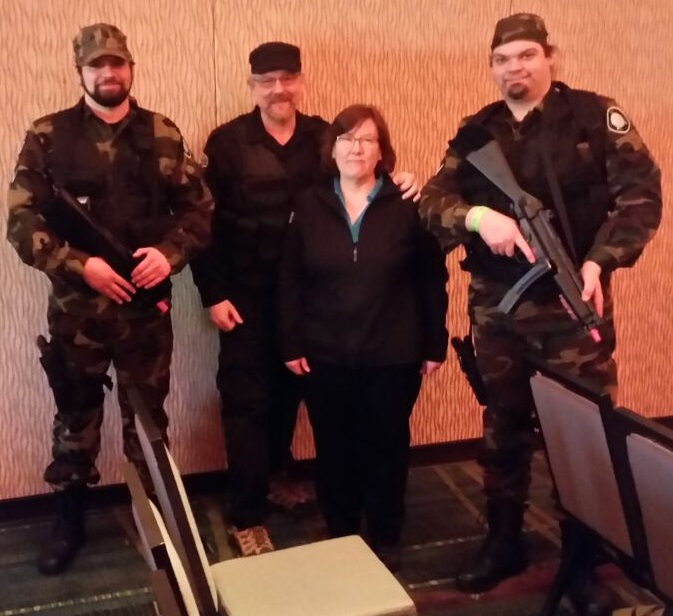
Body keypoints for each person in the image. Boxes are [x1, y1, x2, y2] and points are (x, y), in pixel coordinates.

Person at [419, 12, 661, 612]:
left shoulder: (593, 117)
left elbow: (641, 196)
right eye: (503, 60)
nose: (515, 69)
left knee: (585, 436)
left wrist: (600, 261)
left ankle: (584, 557)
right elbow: (433, 200)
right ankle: (503, 541)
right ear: (491, 67)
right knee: (503, 427)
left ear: (550, 56)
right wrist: (479, 218)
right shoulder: (476, 132)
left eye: (527, 55)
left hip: (574, 307)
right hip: (497, 310)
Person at [190, 42, 420, 556]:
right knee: (248, 403)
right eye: (266, 80)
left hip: (314, 302)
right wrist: (213, 293)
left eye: (287, 78)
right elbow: (203, 224)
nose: (278, 89)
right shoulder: (227, 143)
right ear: (252, 86)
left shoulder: (322, 136)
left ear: (300, 81)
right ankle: (247, 514)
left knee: (295, 396)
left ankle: (279, 477)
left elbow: (360, 183)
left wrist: (401, 180)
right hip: (246, 298)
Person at [6, 23, 213, 576]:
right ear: (80, 71)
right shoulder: (48, 136)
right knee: (75, 417)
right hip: (79, 314)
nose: (108, 73)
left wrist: (168, 254)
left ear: (130, 68)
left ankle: (157, 521)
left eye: (116, 63)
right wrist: (83, 266)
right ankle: (69, 519)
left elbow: (200, 210)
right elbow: (21, 222)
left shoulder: (162, 133)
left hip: (145, 312)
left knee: (148, 421)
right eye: (96, 65)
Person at [278, 104, 448, 570]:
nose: (356, 148)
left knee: (386, 446)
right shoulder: (308, 204)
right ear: (332, 149)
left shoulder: (409, 204)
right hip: (324, 353)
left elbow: (432, 279)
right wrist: (291, 342)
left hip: (392, 353)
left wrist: (434, 342)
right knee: (333, 447)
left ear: (381, 151)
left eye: (367, 140)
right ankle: (341, 531)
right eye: (347, 139)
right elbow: (289, 280)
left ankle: (386, 532)